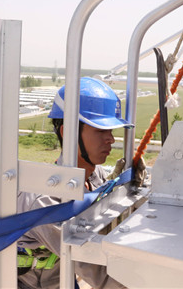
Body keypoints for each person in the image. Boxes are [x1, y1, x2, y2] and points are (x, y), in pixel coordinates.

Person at [16, 77, 144, 288]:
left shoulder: (96, 177)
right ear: (68, 133)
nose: (111, 139)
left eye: (111, 131)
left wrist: (127, 189)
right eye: (101, 130)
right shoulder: (43, 201)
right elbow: (98, 273)